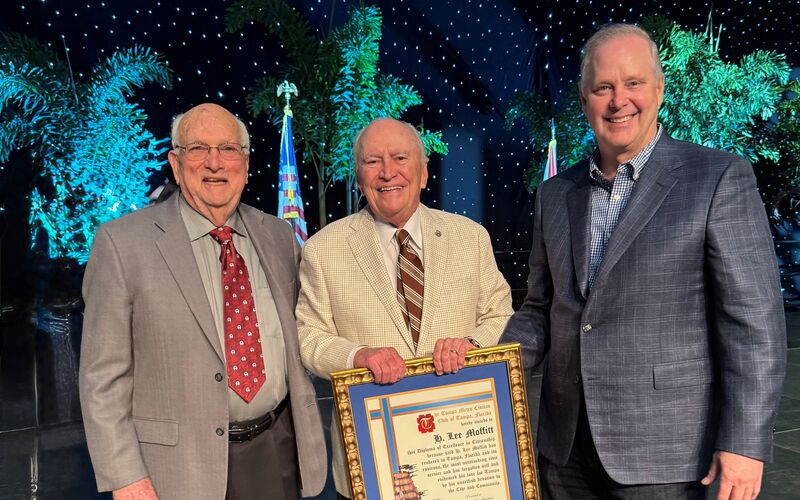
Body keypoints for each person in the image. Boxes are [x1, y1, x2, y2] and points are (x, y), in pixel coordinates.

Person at [501, 23, 787, 500]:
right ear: (583, 97)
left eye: (633, 83)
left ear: (658, 88)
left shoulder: (717, 178)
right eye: (603, 87)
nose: (619, 101)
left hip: (667, 453)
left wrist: (744, 443)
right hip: (564, 450)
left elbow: (753, 322)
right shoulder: (555, 194)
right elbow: (540, 310)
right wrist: (481, 366)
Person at [79, 103, 326, 500]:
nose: (214, 163)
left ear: (245, 165)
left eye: (228, 149)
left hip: (276, 448)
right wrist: (124, 476)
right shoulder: (122, 244)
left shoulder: (278, 237)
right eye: (197, 149)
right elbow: (101, 380)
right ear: (176, 165)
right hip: (178, 468)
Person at [295, 117, 513, 498]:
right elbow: (308, 336)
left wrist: (472, 344)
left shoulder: (470, 237)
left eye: (399, 158)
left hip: (461, 452)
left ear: (424, 172)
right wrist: (356, 355)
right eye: (372, 161)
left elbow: (501, 315)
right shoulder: (322, 248)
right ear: (358, 175)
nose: (387, 172)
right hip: (373, 454)